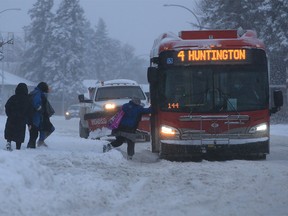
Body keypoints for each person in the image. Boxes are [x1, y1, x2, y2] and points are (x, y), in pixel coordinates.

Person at [4, 83, 33, 150]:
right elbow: (30, 112)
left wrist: (9, 115)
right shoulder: (27, 100)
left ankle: (9, 142)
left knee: (10, 131)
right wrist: (29, 123)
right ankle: (18, 147)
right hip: (21, 120)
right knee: (19, 134)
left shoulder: (13, 98)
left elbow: (7, 107)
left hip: (12, 118)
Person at [27, 82, 55, 148]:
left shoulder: (36, 92)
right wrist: (41, 110)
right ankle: (36, 143)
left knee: (42, 128)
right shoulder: (38, 93)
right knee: (44, 129)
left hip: (37, 116)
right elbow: (36, 104)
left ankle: (40, 141)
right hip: (37, 116)